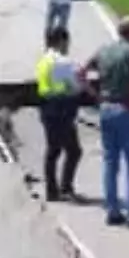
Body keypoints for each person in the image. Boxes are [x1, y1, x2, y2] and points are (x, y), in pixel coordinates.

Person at [76, 16, 129, 229]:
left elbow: (80, 73)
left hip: (106, 108)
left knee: (110, 163)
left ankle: (112, 210)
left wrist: (96, 95)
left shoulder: (104, 50)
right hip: (126, 109)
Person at [35, 26, 82, 202]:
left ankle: (51, 190)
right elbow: (74, 87)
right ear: (62, 41)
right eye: (67, 42)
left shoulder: (43, 61)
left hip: (46, 107)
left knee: (53, 150)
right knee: (74, 150)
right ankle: (65, 186)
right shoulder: (63, 62)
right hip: (62, 109)